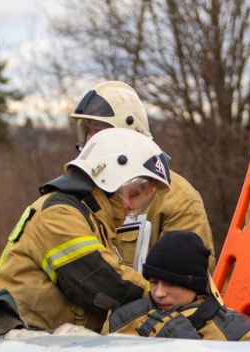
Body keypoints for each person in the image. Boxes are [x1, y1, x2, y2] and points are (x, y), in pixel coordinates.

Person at [0, 128, 172, 334]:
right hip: (19, 342)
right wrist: (160, 294)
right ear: (108, 177)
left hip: (44, 344)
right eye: (133, 194)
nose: (134, 206)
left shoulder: (91, 219)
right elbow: (101, 279)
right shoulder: (59, 214)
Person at [70, 81, 216, 272]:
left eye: (97, 131)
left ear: (129, 135)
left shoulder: (178, 199)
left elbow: (188, 284)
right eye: (87, 131)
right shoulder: (80, 191)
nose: (90, 140)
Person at [103, 230, 250, 341]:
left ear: (194, 285)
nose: (159, 293)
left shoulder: (242, 335)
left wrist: (188, 347)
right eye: (153, 282)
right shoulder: (119, 320)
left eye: (170, 284)